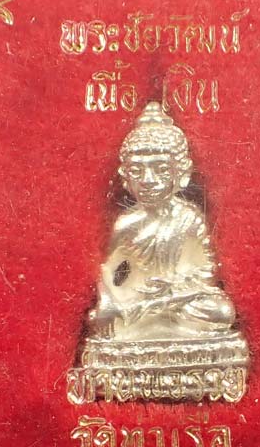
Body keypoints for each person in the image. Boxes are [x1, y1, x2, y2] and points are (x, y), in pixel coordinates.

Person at [88, 101, 237, 342]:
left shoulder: (189, 218)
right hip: (137, 303)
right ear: (126, 178)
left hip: (178, 301)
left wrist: (171, 288)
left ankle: (155, 324)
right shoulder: (127, 224)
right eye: (137, 171)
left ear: (181, 174)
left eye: (161, 169)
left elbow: (205, 271)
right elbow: (115, 275)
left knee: (221, 311)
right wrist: (110, 301)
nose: (148, 180)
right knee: (108, 318)